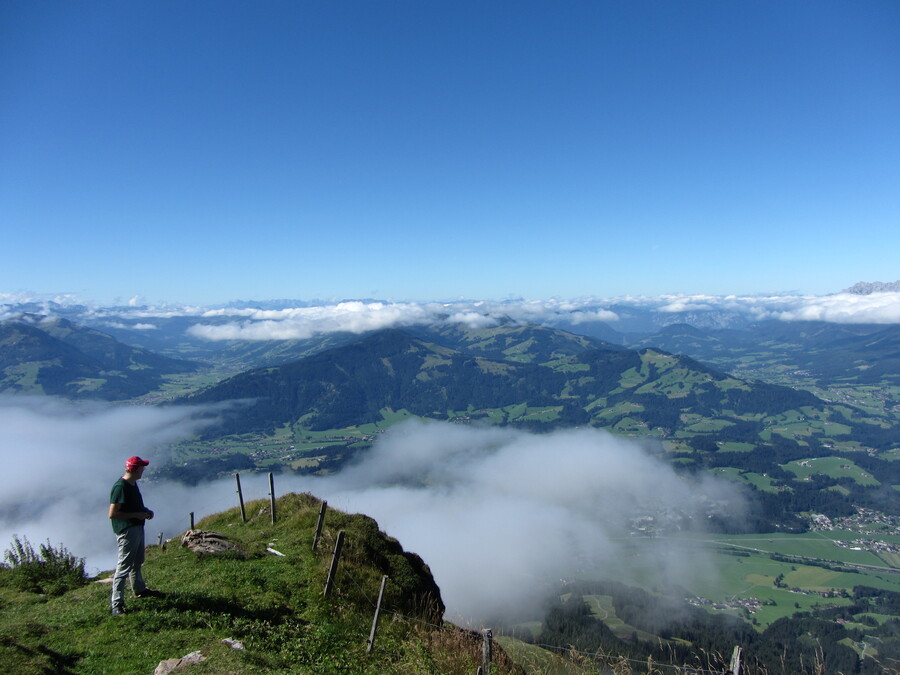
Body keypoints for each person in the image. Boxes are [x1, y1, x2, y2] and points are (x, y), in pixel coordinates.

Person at [108, 455, 162, 615]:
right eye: (142, 467)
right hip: (127, 530)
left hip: (137, 526)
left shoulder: (131, 484)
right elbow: (113, 513)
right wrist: (136, 515)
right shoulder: (120, 487)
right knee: (124, 566)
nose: (143, 470)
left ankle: (139, 589)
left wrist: (144, 512)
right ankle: (116, 604)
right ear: (136, 469)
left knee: (138, 560)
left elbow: (133, 506)